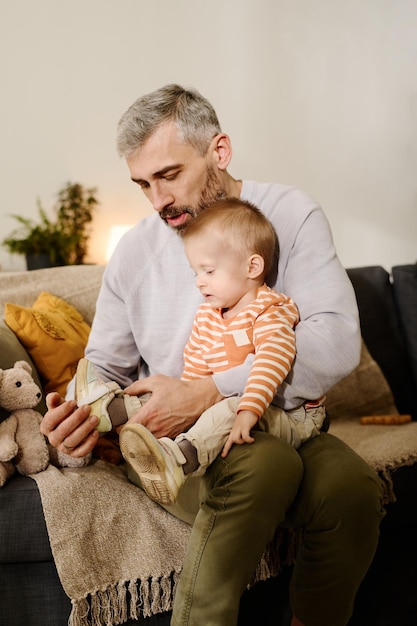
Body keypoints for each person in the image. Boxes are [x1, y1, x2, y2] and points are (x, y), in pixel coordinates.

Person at [41, 84, 385, 626]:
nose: (158, 202)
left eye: (169, 175)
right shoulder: (134, 251)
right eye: (143, 184)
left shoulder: (288, 216)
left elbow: (336, 339)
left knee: (354, 491)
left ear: (218, 152)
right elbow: (103, 367)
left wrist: (210, 389)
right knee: (265, 464)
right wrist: (79, 422)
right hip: (183, 444)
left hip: (281, 419)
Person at [117, 197, 326, 506]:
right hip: (241, 402)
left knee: (229, 409)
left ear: (252, 266)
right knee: (171, 391)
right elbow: (195, 377)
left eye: (209, 272)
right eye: (196, 274)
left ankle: (179, 463)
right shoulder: (207, 317)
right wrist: (184, 405)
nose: (200, 283)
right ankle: (108, 411)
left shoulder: (270, 310)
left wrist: (249, 411)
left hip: (292, 414)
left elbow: (272, 361)